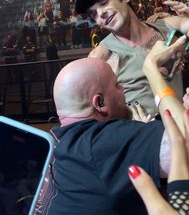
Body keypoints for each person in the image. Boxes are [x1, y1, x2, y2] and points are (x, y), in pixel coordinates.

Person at [35, 57, 166, 215]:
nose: (123, 88)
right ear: (100, 103)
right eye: (117, 84)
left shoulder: (57, 142)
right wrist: (154, 74)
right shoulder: (102, 141)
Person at [75, 0, 189, 116]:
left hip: (187, 124)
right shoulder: (101, 57)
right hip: (147, 134)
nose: (100, 14)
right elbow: (91, 112)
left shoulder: (168, 26)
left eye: (104, 3)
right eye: (94, 15)